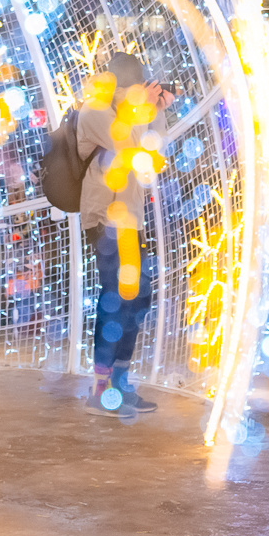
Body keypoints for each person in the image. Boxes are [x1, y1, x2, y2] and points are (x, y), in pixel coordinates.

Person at [77, 51, 174, 416]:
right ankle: (101, 390)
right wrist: (144, 109)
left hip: (130, 221)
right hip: (105, 220)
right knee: (116, 303)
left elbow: (152, 157)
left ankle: (118, 384)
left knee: (137, 302)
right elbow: (127, 143)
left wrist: (159, 111)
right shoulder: (96, 110)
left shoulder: (133, 111)